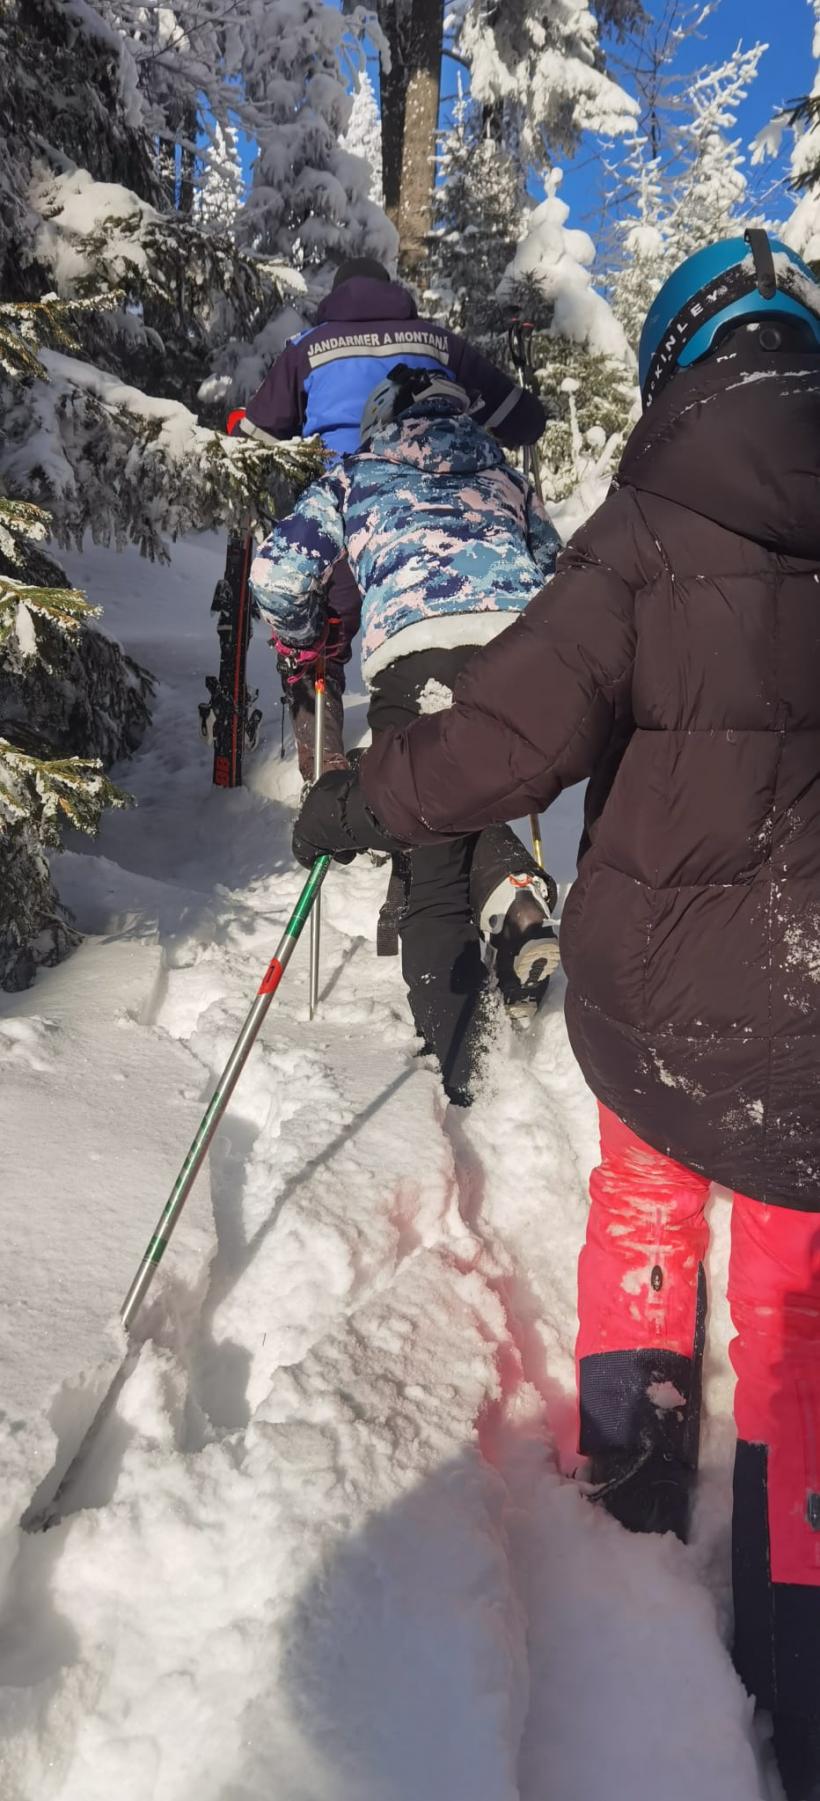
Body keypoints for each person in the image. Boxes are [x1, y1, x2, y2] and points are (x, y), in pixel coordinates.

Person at [291, 232, 820, 1800]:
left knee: (649, 1199)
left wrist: (361, 801)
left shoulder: (649, 528)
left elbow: (504, 737)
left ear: (679, 367)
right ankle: (799, 1674)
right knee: (800, 1311)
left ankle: (630, 1526)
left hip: (657, 1004)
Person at [249, 364, 562, 1104]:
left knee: (432, 864)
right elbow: (560, 570)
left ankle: (469, 1076)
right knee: (467, 799)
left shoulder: (358, 472)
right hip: (526, 664)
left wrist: (304, 644)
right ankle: (518, 908)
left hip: (419, 658)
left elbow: (276, 575)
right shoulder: (505, 475)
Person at [241, 256, 547, 780]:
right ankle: (453, 766)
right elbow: (520, 420)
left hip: (346, 505)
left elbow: (260, 434)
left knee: (325, 641)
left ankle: (327, 766)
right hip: (455, 511)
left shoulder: (308, 347)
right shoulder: (436, 342)